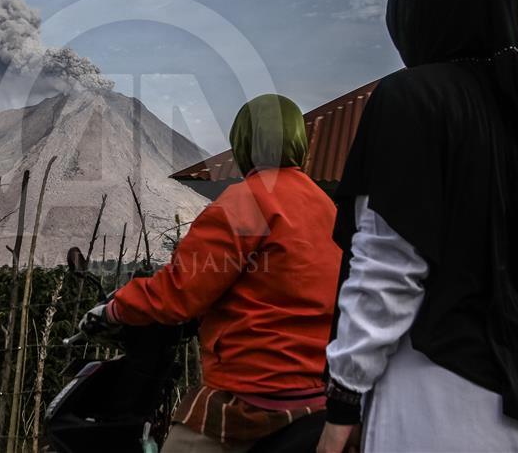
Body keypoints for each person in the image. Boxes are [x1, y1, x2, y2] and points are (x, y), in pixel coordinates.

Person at [317, 0, 518, 453]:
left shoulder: (413, 98)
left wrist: (343, 402)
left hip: (445, 405)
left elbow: (387, 266)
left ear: (416, 12)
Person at [81, 94, 341, 452]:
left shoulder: (245, 201)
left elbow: (180, 291)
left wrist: (113, 309)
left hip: (252, 392)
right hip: (318, 393)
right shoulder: (326, 206)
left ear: (244, 141)